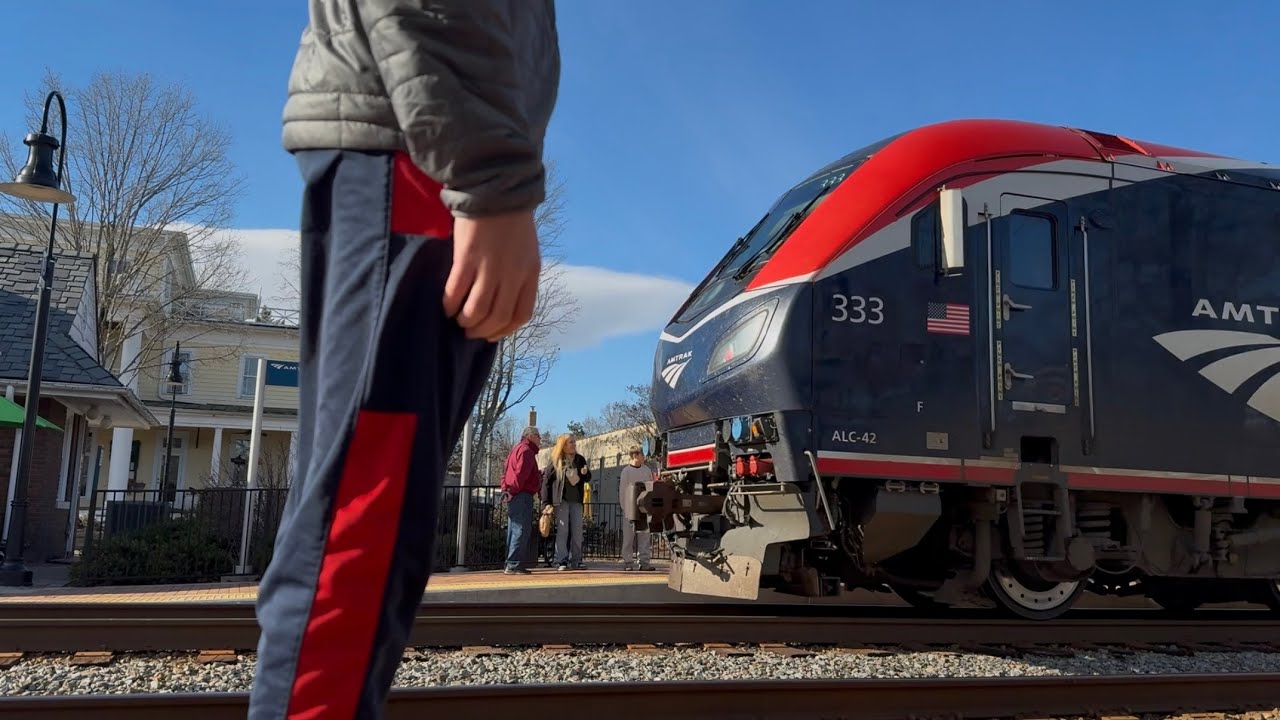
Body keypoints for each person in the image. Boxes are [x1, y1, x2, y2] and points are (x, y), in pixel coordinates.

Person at [249, 3, 560, 719]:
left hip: (422, 141)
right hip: (419, 151)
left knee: (368, 528)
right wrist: (491, 179)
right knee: (363, 526)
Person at [541, 434, 590, 570]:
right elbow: (546, 482)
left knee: (577, 531)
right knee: (563, 530)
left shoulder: (580, 459)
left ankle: (577, 560)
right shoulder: (556, 460)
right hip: (561, 501)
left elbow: (587, 478)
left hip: (577, 501)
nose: (574, 444)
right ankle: (561, 560)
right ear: (563, 445)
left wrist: (585, 473)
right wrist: (546, 503)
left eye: (574, 442)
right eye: (570, 442)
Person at [500, 426, 542, 575]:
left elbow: (505, 472)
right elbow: (521, 474)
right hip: (522, 494)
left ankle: (510, 563)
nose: (540, 439)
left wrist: (506, 489)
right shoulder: (527, 451)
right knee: (521, 529)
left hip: (513, 493)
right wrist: (513, 490)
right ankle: (514, 564)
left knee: (513, 529)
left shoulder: (515, 450)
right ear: (530, 436)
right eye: (538, 435)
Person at [618, 445, 657, 571]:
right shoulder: (626, 471)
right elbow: (623, 491)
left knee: (644, 535)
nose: (643, 457)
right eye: (641, 454)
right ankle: (628, 562)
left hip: (644, 508)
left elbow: (651, 488)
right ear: (635, 455)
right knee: (628, 537)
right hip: (630, 508)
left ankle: (644, 562)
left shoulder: (646, 470)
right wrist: (625, 508)